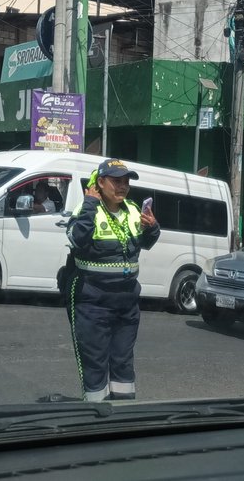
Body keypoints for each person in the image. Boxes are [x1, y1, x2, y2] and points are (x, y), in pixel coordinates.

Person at [63, 159, 160, 402]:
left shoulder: (133, 209)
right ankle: (96, 419)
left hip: (127, 301)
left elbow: (145, 243)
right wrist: (89, 203)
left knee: (123, 362)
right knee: (95, 363)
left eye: (126, 182)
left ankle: (123, 414)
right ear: (99, 183)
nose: (123, 186)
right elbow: (77, 239)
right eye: (116, 181)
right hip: (92, 300)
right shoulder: (87, 209)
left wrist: (153, 228)